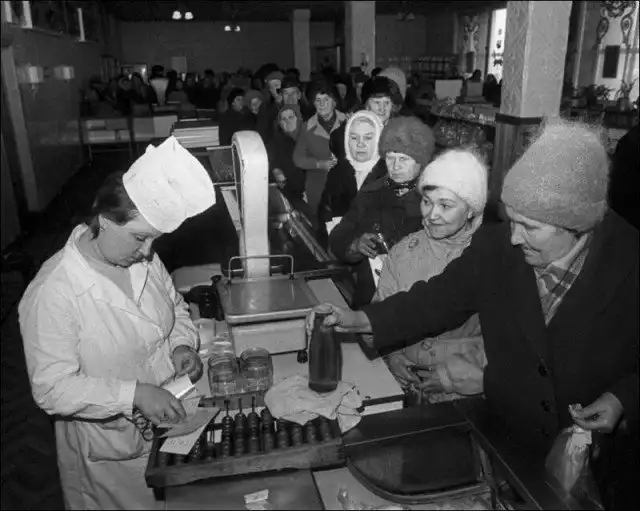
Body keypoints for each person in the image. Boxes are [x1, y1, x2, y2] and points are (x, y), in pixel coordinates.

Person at [308, 120, 638, 510]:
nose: (514, 237)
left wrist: (623, 397)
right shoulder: (498, 246)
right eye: (512, 220)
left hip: (598, 466)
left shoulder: (630, 261)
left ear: (577, 227)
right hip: (509, 443)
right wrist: (361, 319)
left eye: (530, 227)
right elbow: (437, 299)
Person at [19, 137, 216, 509]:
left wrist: (180, 344)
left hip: (169, 418)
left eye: (153, 240)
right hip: (111, 451)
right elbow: (52, 388)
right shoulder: (54, 292)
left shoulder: (141, 258)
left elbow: (174, 307)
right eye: (140, 238)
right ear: (105, 222)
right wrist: (134, 394)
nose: (147, 252)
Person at [376, 148, 488, 404]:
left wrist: (450, 377)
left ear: (471, 209)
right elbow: (382, 311)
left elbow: (508, 343)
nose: (432, 214)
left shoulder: (490, 258)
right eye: (427, 202)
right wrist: (393, 355)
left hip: (467, 395)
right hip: (408, 388)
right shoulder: (403, 252)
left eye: (445, 205)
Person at [329, 116, 435, 307]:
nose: (395, 166)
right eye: (390, 158)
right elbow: (339, 235)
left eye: (403, 159)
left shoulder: (434, 199)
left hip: (416, 300)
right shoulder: (371, 192)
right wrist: (355, 245)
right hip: (371, 298)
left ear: (420, 162)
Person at [318, 110, 386, 231]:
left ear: (378, 140)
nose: (360, 144)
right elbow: (325, 210)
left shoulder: (390, 172)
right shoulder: (337, 172)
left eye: (368, 138)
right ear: (347, 141)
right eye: (354, 138)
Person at [293, 79, 347, 215]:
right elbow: (298, 158)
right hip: (318, 188)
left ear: (334, 102)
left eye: (326, 100)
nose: (322, 104)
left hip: (345, 187)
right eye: (318, 100)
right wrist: (319, 164)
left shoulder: (348, 122)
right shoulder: (307, 127)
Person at [330, 76, 404, 161]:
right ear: (367, 105)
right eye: (377, 102)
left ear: (393, 106)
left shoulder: (400, 130)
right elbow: (336, 144)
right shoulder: (353, 127)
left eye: (387, 103)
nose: (382, 109)